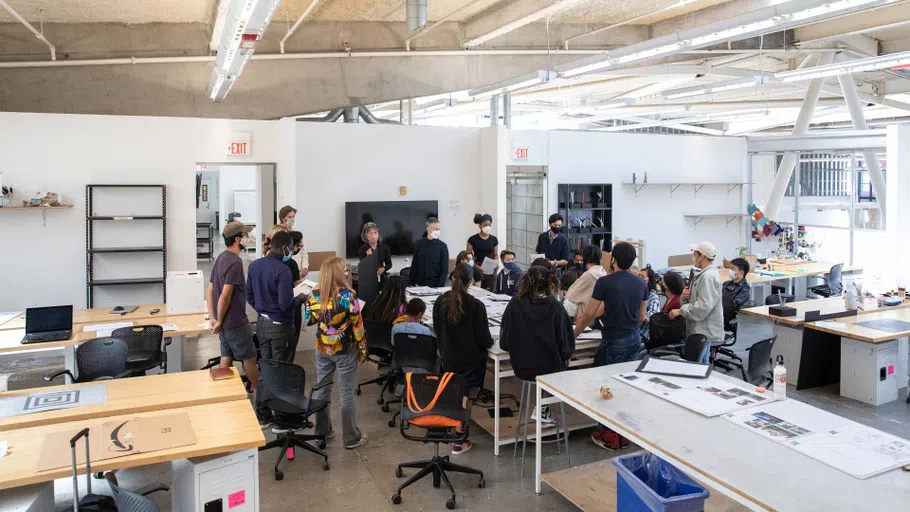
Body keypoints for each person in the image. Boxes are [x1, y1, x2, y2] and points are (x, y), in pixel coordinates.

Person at [572, 242, 648, 450]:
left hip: (614, 339)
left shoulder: (605, 282)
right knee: (623, 384)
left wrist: (574, 334)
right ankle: (622, 433)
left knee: (605, 385)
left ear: (613, 259)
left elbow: (589, 313)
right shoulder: (641, 283)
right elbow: (642, 316)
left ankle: (610, 434)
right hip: (634, 338)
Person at [305, 257, 369, 450]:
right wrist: (363, 349)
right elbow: (358, 327)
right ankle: (351, 437)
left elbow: (310, 320)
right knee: (346, 392)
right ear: (340, 273)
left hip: (322, 349)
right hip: (345, 350)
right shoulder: (349, 296)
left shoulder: (315, 294)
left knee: (322, 391)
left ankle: (322, 433)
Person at [500, 266, 575, 426]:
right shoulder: (556, 307)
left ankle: (542, 408)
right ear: (551, 284)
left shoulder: (514, 304)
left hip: (521, 368)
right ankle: (543, 406)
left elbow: (504, 343)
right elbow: (566, 346)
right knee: (562, 366)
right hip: (550, 368)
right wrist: (566, 356)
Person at [433, 263, 493, 455]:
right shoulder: (476, 306)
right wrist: (490, 340)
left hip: (448, 359)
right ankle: (460, 437)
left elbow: (438, 330)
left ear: (452, 279)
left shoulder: (439, 302)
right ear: (471, 282)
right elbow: (484, 340)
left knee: (457, 391)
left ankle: (454, 426)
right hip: (471, 362)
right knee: (467, 393)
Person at [206, 221, 258, 398]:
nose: (248, 238)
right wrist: (219, 320)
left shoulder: (221, 257)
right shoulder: (235, 262)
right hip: (235, 322)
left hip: (225, 324)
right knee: (249, 359)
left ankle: (223, 396)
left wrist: (213, 317)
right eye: (245, 235)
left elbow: (211, 289)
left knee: (226, 358)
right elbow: (225, 295)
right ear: (237, 239)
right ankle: (263, 397)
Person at [247, 230, 302, 364]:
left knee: (266, 366)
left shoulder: (254, 265)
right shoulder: (283, 270)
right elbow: (285, 305)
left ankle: (266, 386)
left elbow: (248, 295)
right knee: (282, 368)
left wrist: (263, 309)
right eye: (290, 249)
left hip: (262, 324)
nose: (290, 252)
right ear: (284, 248)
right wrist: (300, 299)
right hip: (281, 327)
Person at [669, 242, 724, 364]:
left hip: (703, 329)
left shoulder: (708, 277)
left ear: (702, 256)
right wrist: (685, 296)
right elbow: (696, 301)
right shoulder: (702, 274)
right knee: (701, 363)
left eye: (695, 254)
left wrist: (680, 311)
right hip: (698, 328)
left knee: (699, 365)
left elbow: (703, 307)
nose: (693, 257)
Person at [565, 244, 607, 323]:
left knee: (566, 303)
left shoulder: (589, 275)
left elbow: (570, 295)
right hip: (600, 309)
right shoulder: (603, 271)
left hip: (589, 310)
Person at [410, 217, 449, 287]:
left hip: (436, 286)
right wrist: (411, 284)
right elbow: (414, 265)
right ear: (428, 228)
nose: (438, 231)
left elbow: (444, 270)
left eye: (439, 229)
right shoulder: (419, 244)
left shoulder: (443, 246)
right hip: (420, 285)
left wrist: (440, 287)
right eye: (436, 229)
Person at [467, 213, 499, 291]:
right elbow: (468, 256)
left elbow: (495, 255)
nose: (487, 227)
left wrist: (495, 264)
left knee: (490, 291)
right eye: (485, 225)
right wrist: (476, 266)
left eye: (489, 225)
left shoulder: (494, 239)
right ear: (480, 226)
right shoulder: (472, 239)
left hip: (490, 270)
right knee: (477, 291)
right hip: (477, 267)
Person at [357, 222, 393, 293]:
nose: (373, 236)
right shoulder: (362, 249)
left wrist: (383, 268)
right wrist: (368, 257)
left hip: (382, 280)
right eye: (370, 233)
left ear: (378, 234)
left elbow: (389, 264)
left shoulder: (384, 248)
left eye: (375, 232)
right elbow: (363, 267)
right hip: (368, 281)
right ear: (366, 236)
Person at [279, 205, 309, 278]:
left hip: (297, 272)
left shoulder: (296, 234)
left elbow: (303, 252)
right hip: (282, 272)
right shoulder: (277, 233)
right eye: (289, 217)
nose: (292, 219)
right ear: (283, 218)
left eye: (293, 216)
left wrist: (305, 267)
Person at [638, 265, 661, 344]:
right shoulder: (637, 293)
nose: (640, 278)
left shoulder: (653, 296)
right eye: (639, 276)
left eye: (643, 277)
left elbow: (653, 315)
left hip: (645, 335)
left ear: (650, 280)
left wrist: (641, 315)